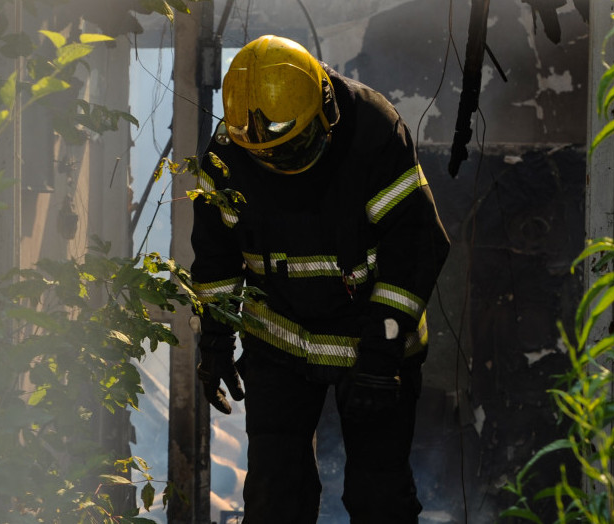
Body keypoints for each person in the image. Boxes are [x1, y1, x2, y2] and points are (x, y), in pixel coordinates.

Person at [190, 35, 450, 523]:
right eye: (268, 156)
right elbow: (215, 259)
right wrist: (215, 340)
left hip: (373, 345)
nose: (282, 165)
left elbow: (415, 247)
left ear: (325, 109)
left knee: (380, 496)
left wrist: (381, 353)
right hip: (280, 342)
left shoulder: (373, 131)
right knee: (274, 496)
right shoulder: (231, 152)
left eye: (294, 148)